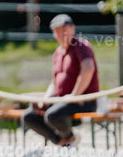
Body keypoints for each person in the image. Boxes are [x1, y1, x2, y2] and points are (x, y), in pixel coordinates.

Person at [22, 14, 100, 146]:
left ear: (73, 28)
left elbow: (88, 69)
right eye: (57, 30)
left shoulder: (80, 46)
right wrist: (45, 99)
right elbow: (54, 83)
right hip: (61, 100)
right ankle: (62, 141)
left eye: (64, 28)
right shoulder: (58, 53)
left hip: (82, 100)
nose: (61, 33)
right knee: (29, 115)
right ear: (53, 33)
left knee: (53, 114)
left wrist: (75, 96)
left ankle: (70, 138)